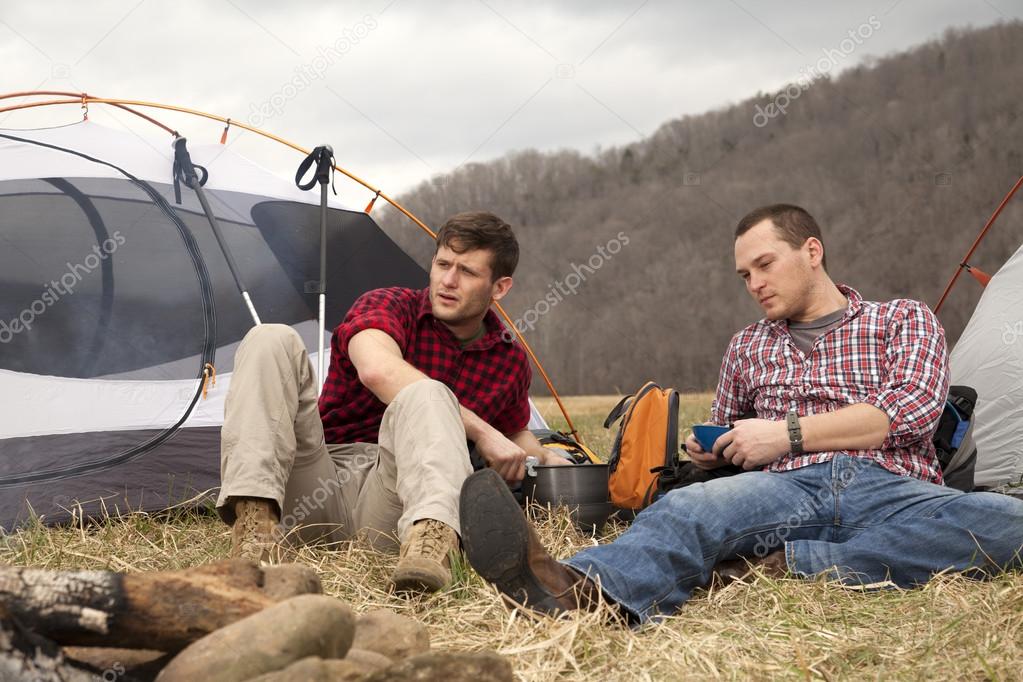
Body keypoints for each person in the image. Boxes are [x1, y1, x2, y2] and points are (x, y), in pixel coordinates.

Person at [459, 204, 1023, 623]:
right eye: (744, 275)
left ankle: (799, 563)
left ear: (811, 251)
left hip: (893, 487)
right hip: (784, 491)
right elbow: (729, 438)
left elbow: (913, 414)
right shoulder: (747, 346)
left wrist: (787, 434)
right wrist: (714, 447)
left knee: (1005, 523)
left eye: (764, 265)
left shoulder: (901, 318)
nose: (754, 284)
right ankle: (579, 590)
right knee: (690, 509)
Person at [217, 211, 564, 593]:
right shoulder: (388, 304)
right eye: (443, 264)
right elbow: (378, 371)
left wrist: (551, 460)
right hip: (319, 480)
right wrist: (482, 431)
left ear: (499, 288)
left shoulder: (507, 359)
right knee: (269, 338)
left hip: (396, 503)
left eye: (466, 272)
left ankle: (431, 548)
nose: (448, 281)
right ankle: (255, 529)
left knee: (431, 395)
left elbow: (516, 432)